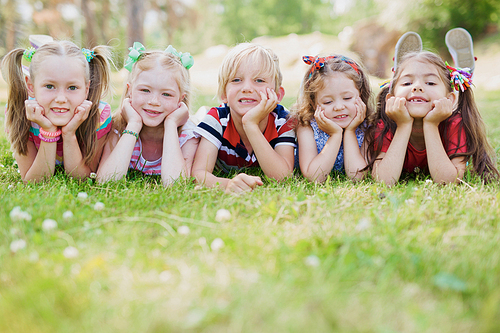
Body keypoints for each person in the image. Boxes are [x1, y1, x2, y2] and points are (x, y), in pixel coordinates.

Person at [365, 50, 498, 185]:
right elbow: (384, 181)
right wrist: (403, 125)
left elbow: (447, 181)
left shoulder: (455, 124)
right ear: (391, 99)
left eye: (430, 83)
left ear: (449, 99)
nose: (417, 87)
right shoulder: (385, 125)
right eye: (407, 83)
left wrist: (431, 125)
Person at [1, 40, 112, 182]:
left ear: (86, 89)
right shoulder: (19, 113)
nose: (61, 99)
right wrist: (49, 130)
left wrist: (69, 133)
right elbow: (33, 181)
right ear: (31, 86)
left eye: (72, 87)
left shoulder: (98, 116)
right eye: (49, 86)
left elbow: (82, 178)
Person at [192, 43, 296, 193]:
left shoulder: (283, 121)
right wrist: (227, 184)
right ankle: (201, 113)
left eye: (259, 80)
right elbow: (198, 174)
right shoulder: (217, 120)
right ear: (223, 94)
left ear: (277, 95)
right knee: (201, 118)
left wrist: (251, 125)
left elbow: (282, 177)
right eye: (236, 80)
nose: (246, 88)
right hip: (209, 120)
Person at [97, 43, 198, 186]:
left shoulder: (188, 135)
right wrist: (133, 125)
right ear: (129, 91)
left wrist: (171, 125)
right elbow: (106, 182)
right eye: (145, 90)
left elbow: (175, 185)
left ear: (180, 99)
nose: (154, 101)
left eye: (166, 94)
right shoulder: (118, 128)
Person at [292, 55, 373, 182]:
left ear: (361, 95)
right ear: (313, 104)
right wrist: (335, 135)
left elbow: (357, 176)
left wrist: (351, 131)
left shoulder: (366, 127)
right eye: (328, 102)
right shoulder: (307, 127)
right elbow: (315, 178)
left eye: (347, 98)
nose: (339, 107)